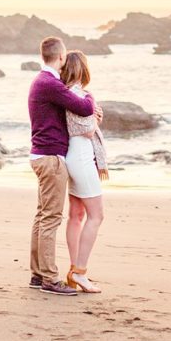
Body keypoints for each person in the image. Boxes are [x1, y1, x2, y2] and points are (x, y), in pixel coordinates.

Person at [28, 36, 103, 296]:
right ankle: (49, 279)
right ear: (60, 57)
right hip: (50, 158)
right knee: (50, 218)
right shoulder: (50, 83)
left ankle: (38, 275)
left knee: (43, 217)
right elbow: (83, 107)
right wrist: (92, 103)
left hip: (44, 155)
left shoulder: (44, 82)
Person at [61, 50, 108, 293]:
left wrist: (94, 118)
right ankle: (80, 271)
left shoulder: (69, 94)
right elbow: (86, 129)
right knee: (96, 216)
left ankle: (73, 271)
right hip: (80, 158)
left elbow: (86, 125)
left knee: (77, 215)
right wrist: (95, 119)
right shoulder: (76, 94)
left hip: (76, 156)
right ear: (82, 70)